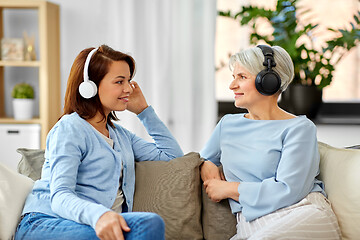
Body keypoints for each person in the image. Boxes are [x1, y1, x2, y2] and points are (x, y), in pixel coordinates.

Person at [15, 45, 183, 240]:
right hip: (46, 222)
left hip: (92, 226)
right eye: (119, 81)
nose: (128, 88)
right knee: (143, 226)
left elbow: (172, 156)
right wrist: (100, 215)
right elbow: (60, 196)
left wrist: (144, 111)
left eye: (128, 80)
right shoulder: (70, 129)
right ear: (90, 86)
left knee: (148, 223)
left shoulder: (121, 136)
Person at [200, 45, 341, 239]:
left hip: (301, 213)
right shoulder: (227, 125)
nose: (232, 86)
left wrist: (229, 188)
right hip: (252, 223)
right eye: (233, 77)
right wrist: (207, 166)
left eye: (242, 77)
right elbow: (202, 159)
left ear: (268, 81)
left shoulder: (299, 128)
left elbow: (288, 189)